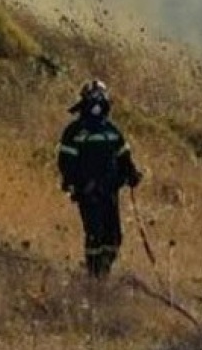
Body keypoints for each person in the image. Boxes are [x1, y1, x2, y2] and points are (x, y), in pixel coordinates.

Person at [56, 79, 143, 279]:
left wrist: (131, 174)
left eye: (100, 96)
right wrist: (76, 184)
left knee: (114, 237)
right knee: (95, 234)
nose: (97, 102)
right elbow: (65, 162)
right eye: (92, 97)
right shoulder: (74, 131)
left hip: (110, 190)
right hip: (87, 192)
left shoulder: (112, 130)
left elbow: (124, 157)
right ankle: (93, 274)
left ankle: (103, 271)